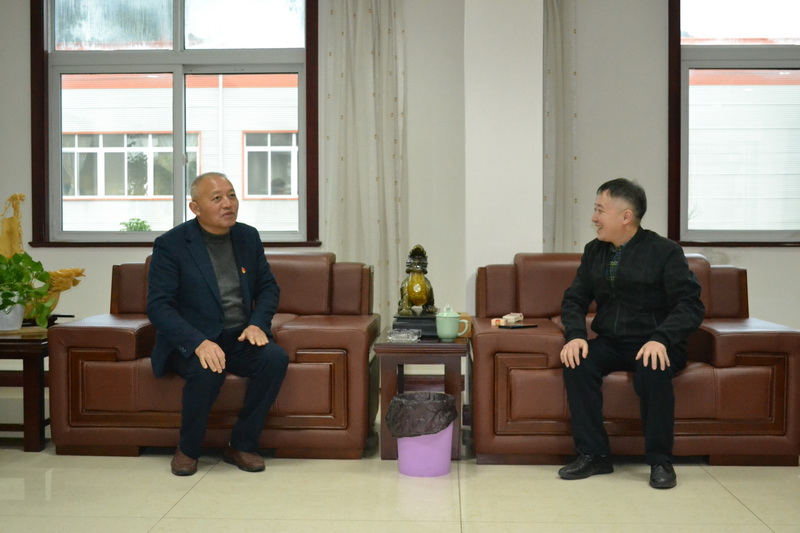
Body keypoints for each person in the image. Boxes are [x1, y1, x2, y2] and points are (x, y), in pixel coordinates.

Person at [558, 178, 704, 489]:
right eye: (595, 210)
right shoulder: (594, 251)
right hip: (612, 341)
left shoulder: (665, 251)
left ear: (626, 216)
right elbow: (574, 298)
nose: (594, 218)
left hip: (657, 342)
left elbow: (690, 305)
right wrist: (575, 335)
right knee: (578, 363)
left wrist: (661, 338)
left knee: (653, 369)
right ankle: (594, 455)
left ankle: (660, 460)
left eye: (600, 210)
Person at [147, 172, 289, 476]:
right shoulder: (171, 244)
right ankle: (188, 449)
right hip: (193, 340)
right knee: (208, 368)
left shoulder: (247, 236)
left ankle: (242, 445)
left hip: (237, 337)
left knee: (274, 358)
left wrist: (258, 324)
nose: (228, 204)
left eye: (232, 195)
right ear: (195, 208)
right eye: (217, 198)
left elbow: (267, 287)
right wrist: (197, 342)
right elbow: (158, 306)